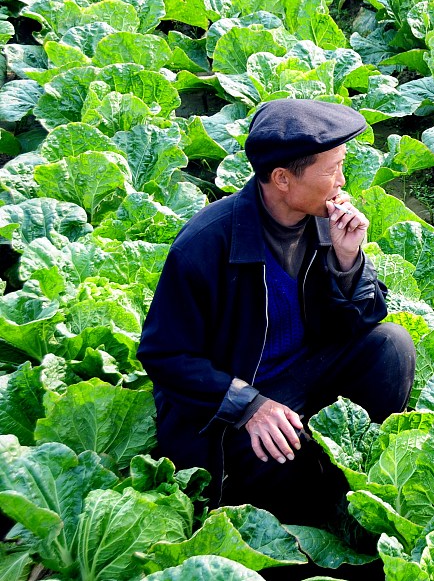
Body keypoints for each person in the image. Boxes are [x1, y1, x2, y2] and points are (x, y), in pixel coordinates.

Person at [138, 99, 415, 520]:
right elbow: (164, 356)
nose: (342, 181)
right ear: (282, 178)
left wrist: (347, 263)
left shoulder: (325, 221)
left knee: (392, 346)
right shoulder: (205, 244)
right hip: (231, 402)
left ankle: (346, 470)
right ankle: (307, 493)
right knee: (271, 458)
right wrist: (248, 405)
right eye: (332, 169)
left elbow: (362, 321)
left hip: (302, 373)